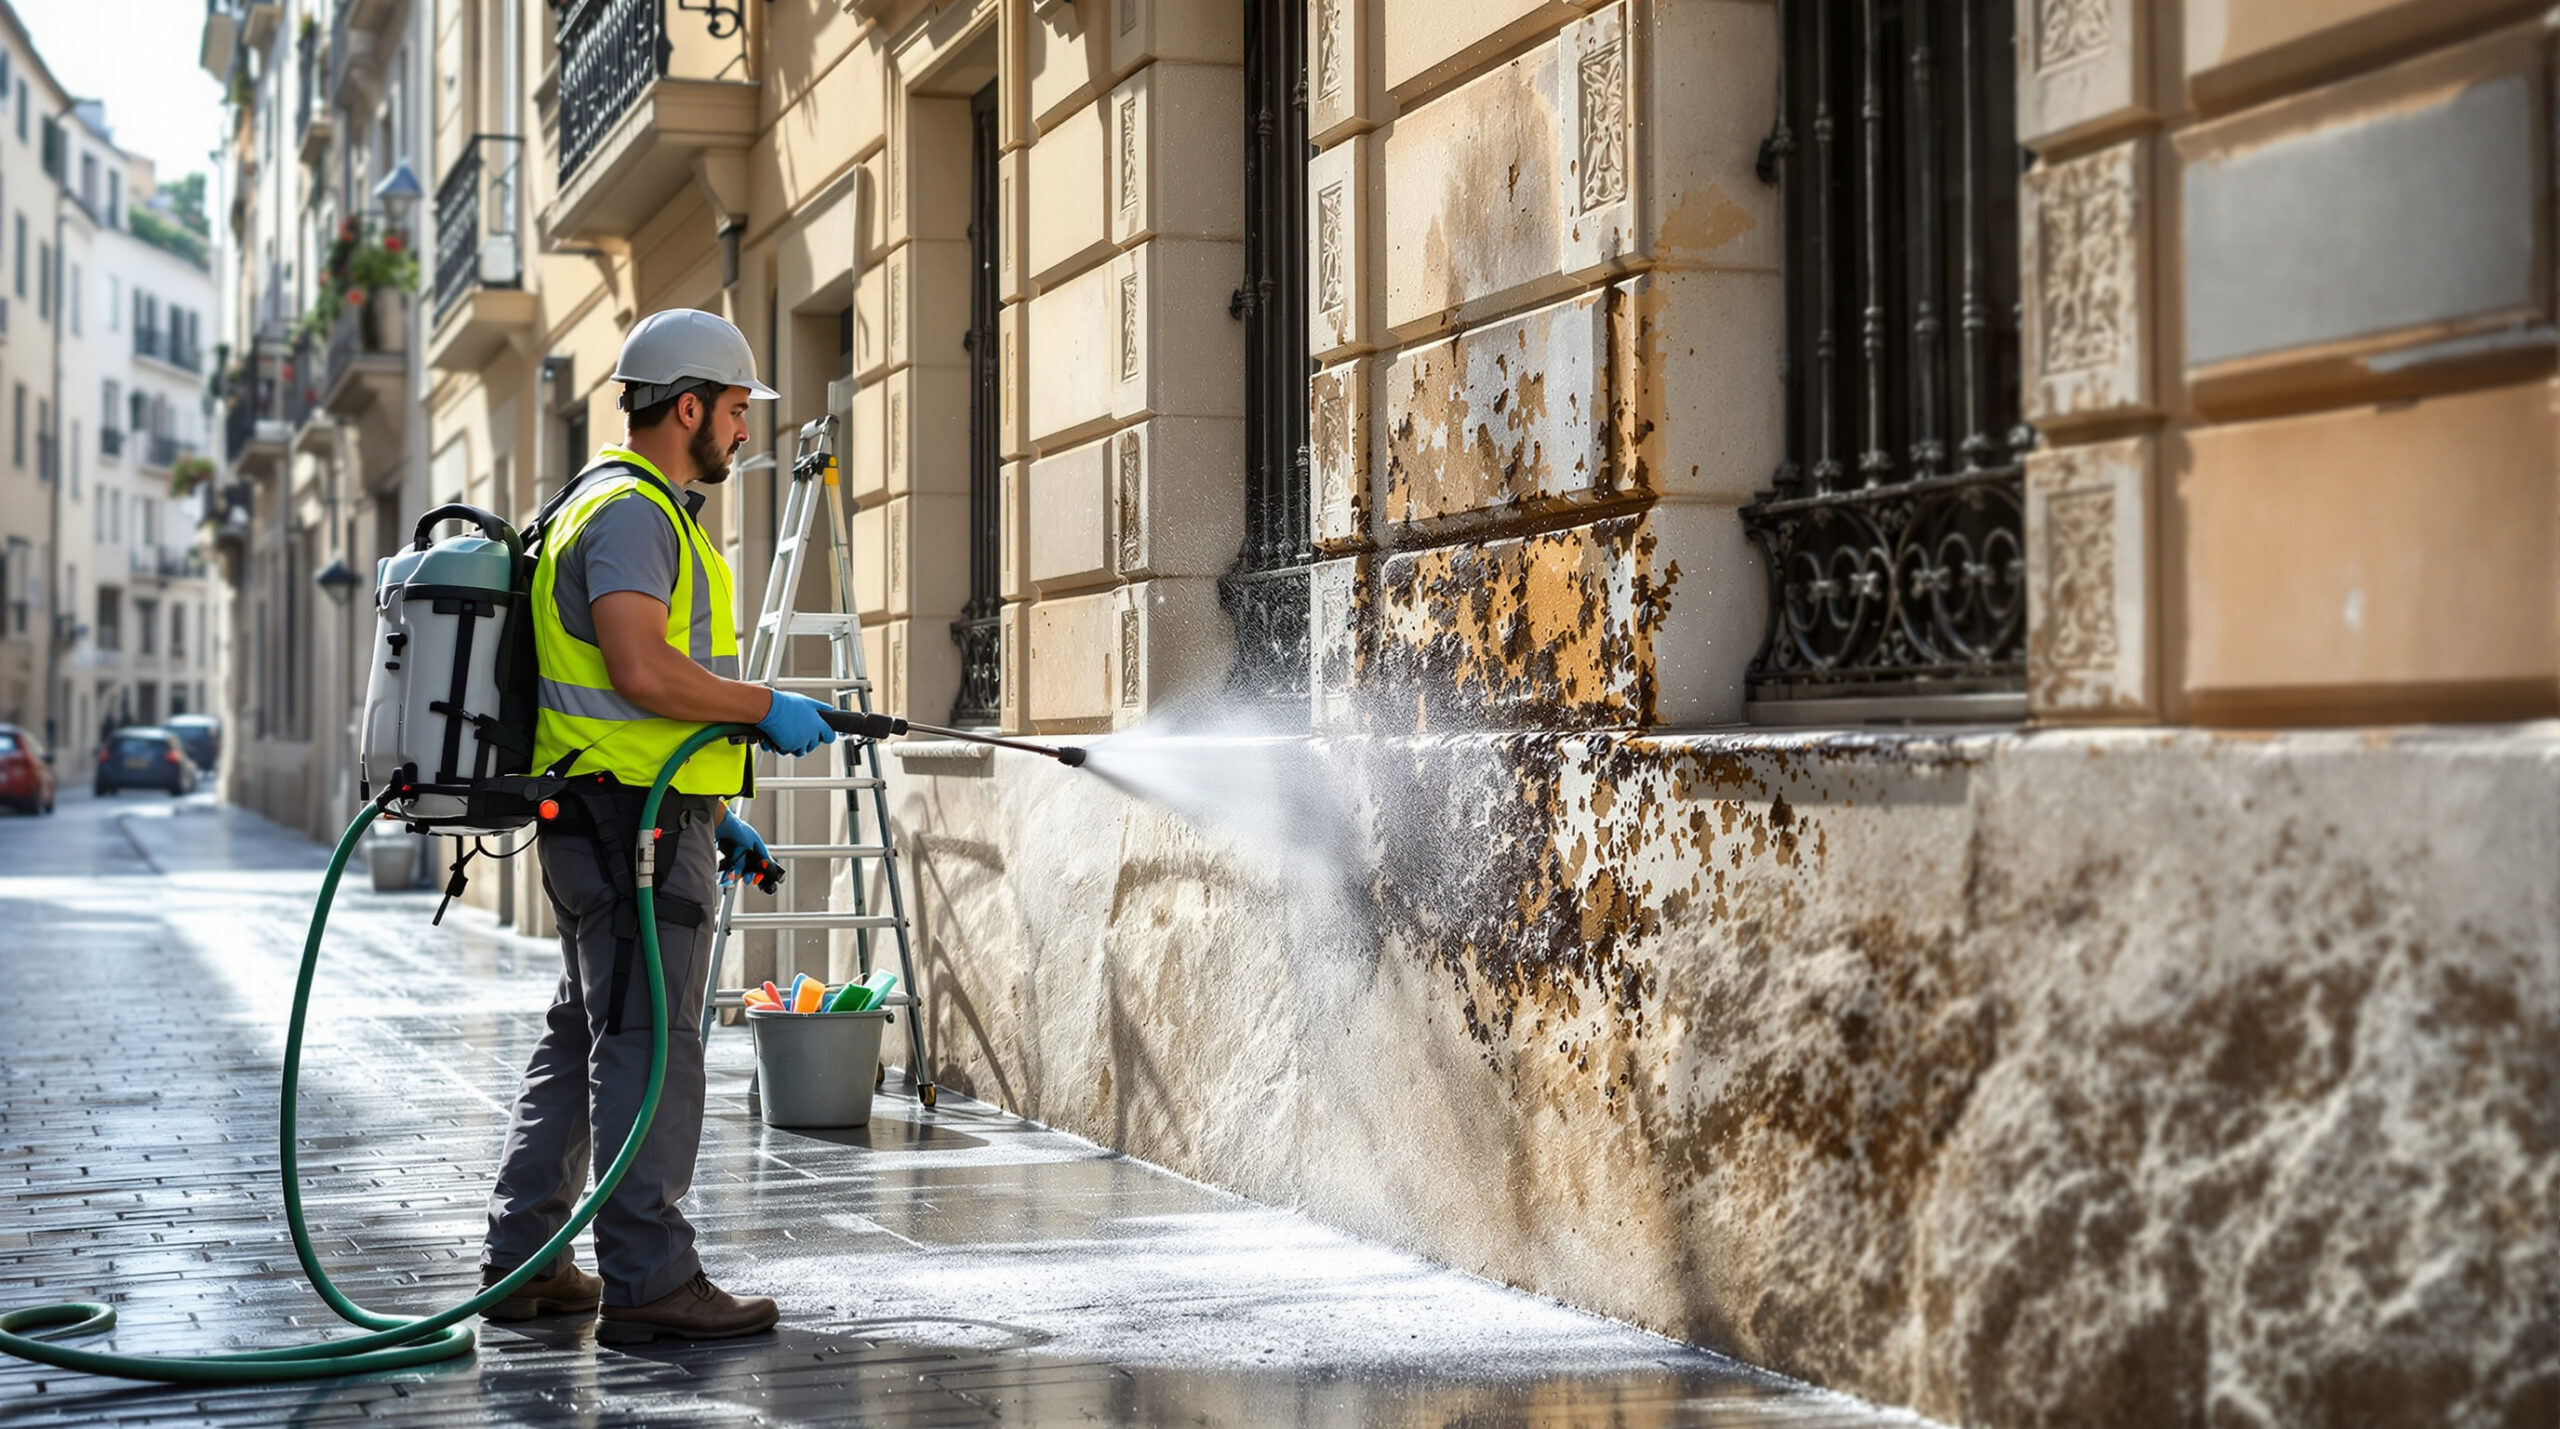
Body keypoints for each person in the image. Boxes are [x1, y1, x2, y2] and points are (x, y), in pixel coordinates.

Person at [475, 309, 842, 1344]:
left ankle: (526, 1259)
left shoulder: (608, 505)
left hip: (625, 814)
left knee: (582, 1033)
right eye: (733, 410)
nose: (741, 430)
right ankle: (648, 1275)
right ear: (686, 406)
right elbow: (641, 669)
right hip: (627, 829)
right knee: (650, 1045)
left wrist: (715, 817)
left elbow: (624, 700)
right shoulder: (635, 514)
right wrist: (759, 703)